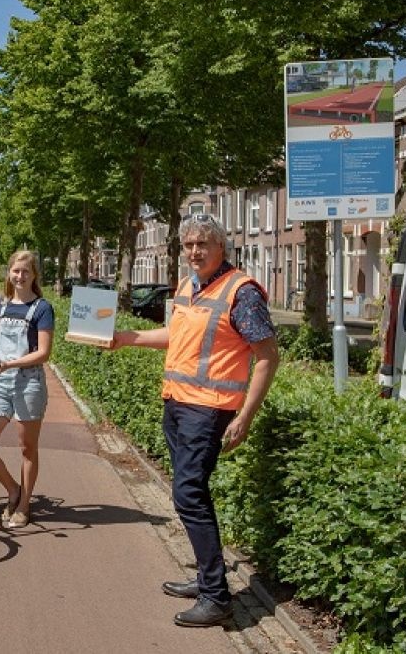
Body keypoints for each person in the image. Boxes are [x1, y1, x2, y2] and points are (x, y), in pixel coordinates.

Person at [111, 213, 279, 628]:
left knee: (189, 494)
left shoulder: (241, 292)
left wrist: (246, 415)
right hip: (178, 403)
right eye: (188, 245)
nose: (194, 251)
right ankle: (207, 579)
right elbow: (175, 336)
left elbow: (267, 357)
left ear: (222, 246)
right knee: (188, 493)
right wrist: (124, 339)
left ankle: (217, 598)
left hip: (210, 408)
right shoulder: (189, 286)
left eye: (203, 243)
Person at [0, 250, 55, 529]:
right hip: (1, 383)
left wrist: (11, 364)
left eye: (26, 272)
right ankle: (12, 488)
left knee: (27, 448)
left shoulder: (42, 308)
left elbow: (43, 353)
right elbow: (1, 349)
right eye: (16, 271)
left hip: (28, 384)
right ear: (9, 273)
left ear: (34, 276)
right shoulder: (3, 304)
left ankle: (24, 504)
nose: (20, 276)